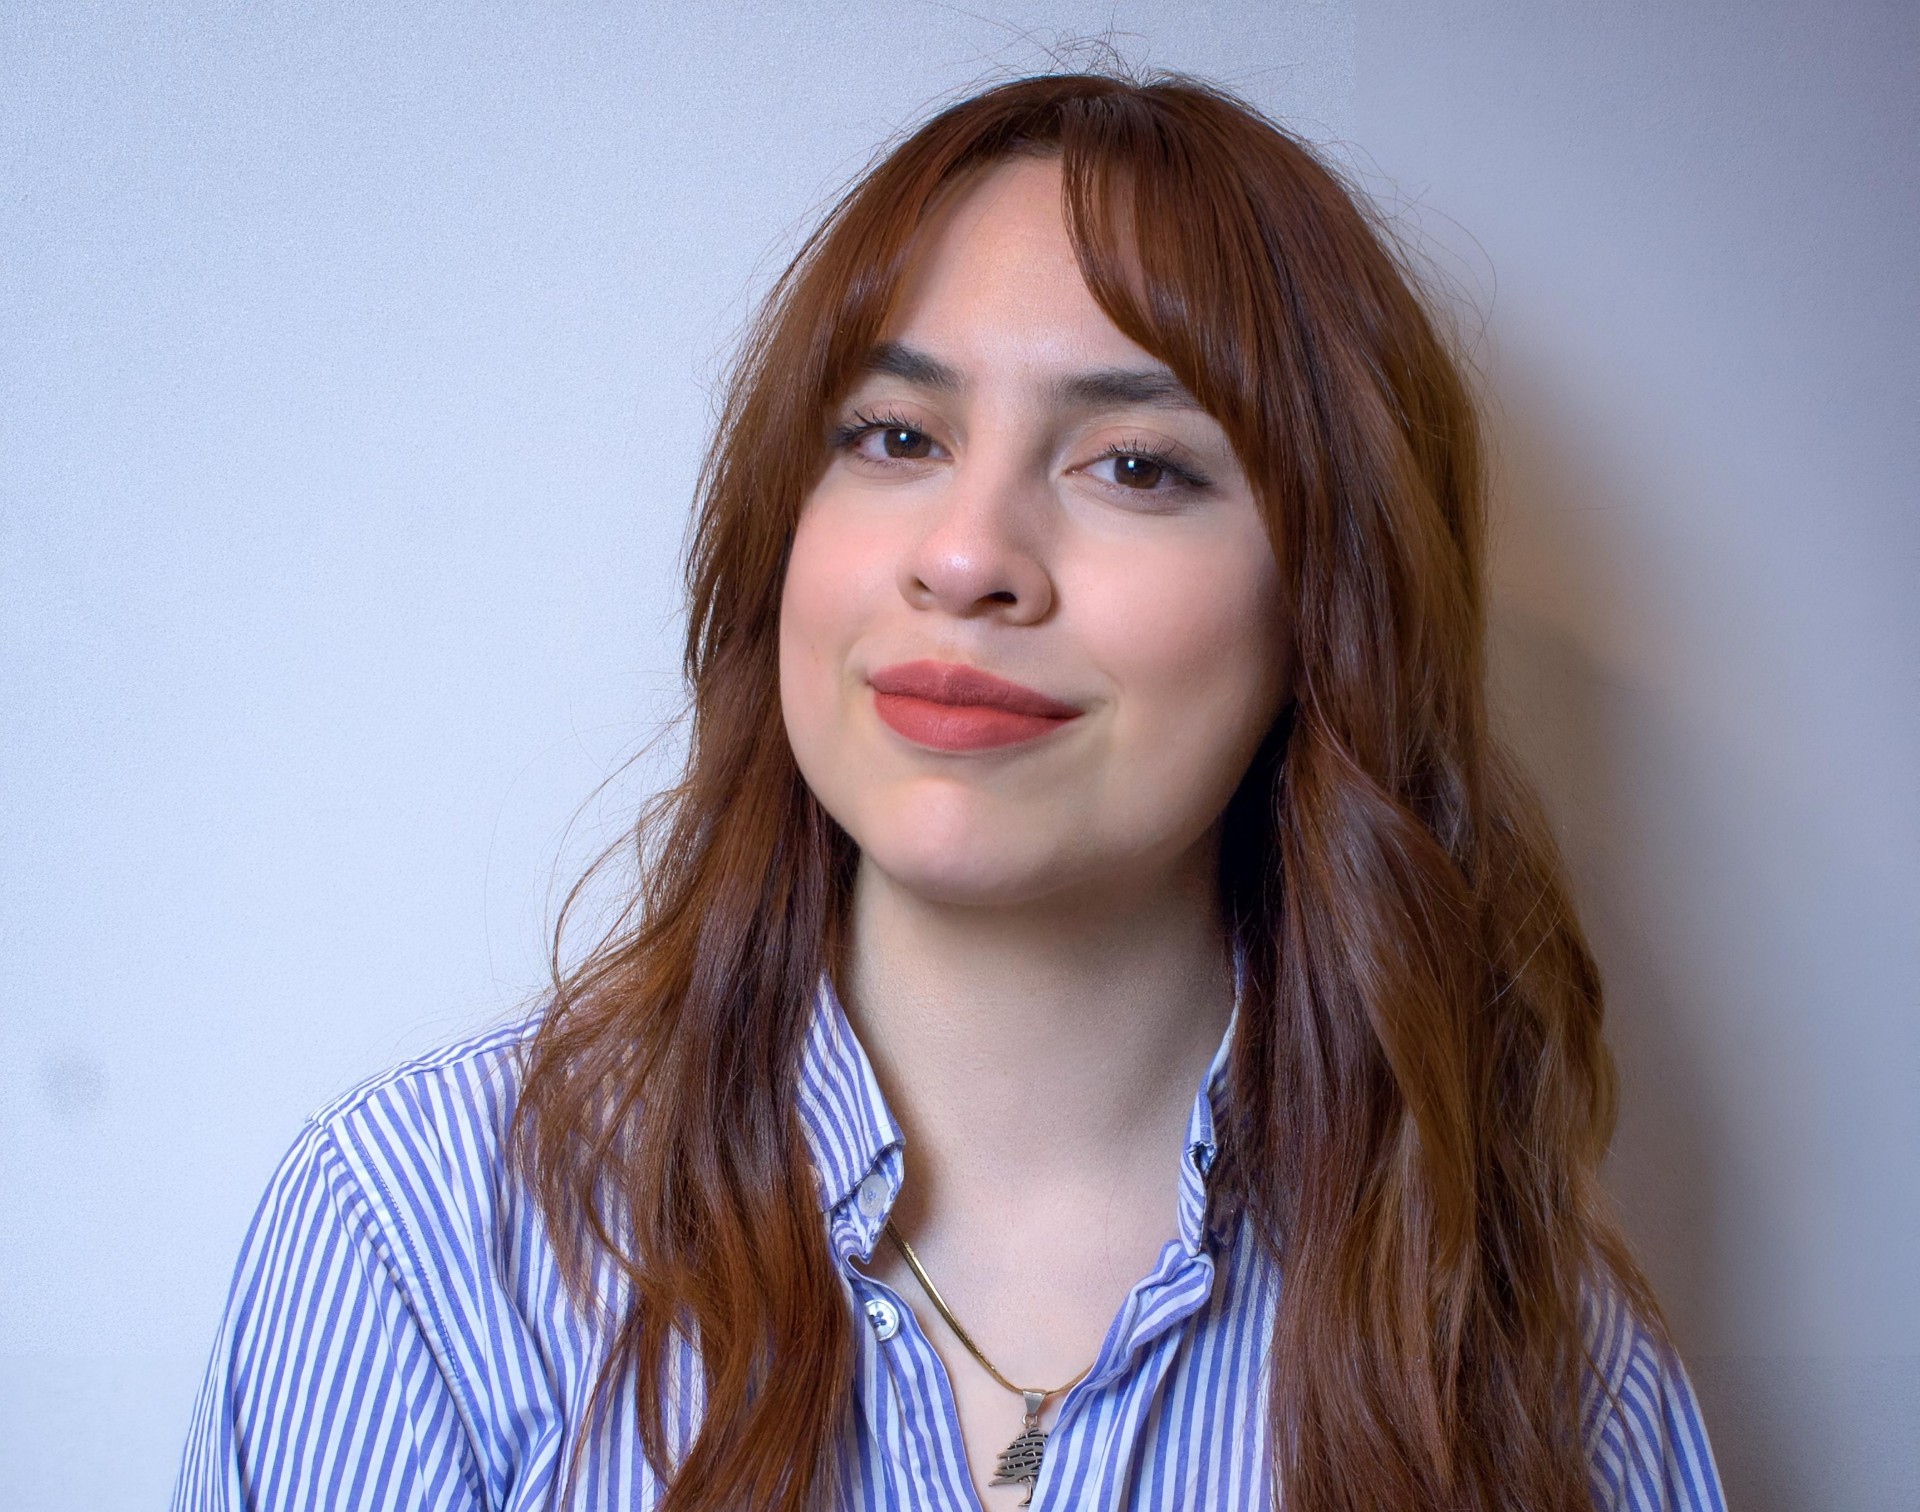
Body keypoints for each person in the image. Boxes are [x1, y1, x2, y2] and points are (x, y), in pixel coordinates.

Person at [171, 71, 1726, 1512]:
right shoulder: (422, 1246)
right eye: (896, 435)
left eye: (1136, 464)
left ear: (1328, 607)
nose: (968, 555)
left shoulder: (1536, 1364)